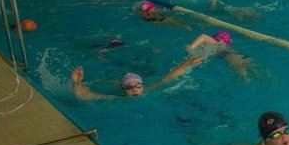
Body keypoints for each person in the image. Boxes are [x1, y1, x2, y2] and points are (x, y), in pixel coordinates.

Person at [69, 58, 202, 100]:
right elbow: (84, 95)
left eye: (138, 86)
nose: (134, 89)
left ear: (142, 86)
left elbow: (168, 78)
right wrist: (77, 82)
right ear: (123, 90)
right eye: (129, 87)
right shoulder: (117, 98)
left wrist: (187, 63)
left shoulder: (148, 90)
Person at [187, 31, 258, 82]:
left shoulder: (217, 43)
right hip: (241, 55)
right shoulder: (224, 46)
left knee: (245, 77)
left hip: (231, 56)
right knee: (254, 71)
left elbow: (203, 36)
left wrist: (191, 47)